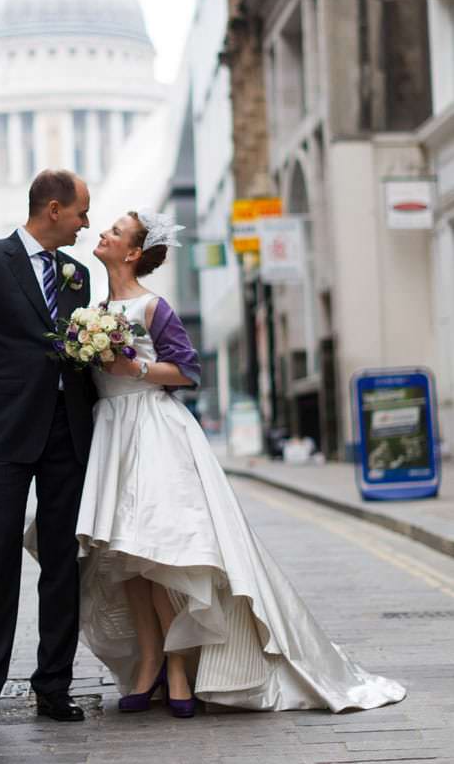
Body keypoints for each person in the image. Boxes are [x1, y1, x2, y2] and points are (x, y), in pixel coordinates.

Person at [75, 210, 406, 718]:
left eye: (114, 232)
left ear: (134, 253)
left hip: (153, 435)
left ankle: (180, 667)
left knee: (162, 558)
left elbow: (187, 371)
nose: (103, 234)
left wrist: (136, 365)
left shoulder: (153, 306)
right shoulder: (93, 310)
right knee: (126, 561)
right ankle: (148, 663)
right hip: (112, 436)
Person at [0, 169, 95, 737]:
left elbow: (80, 356)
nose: (86, 223)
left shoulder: (77, 276)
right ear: (53, 209)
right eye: (82, 212)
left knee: (63, 562)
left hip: (67, 435)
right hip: (3, 436)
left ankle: (53, 686)